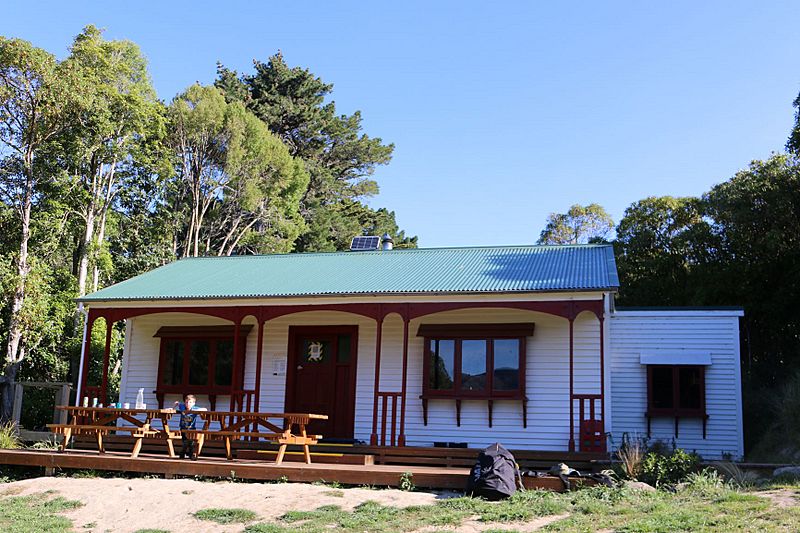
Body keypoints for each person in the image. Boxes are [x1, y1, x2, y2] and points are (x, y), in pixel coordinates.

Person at [173, 394, 207, 460]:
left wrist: (198, 410)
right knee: (185, 442)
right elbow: (177, 403)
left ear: (194, 403)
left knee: (191, 442)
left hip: (191, 428)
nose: (188, 404)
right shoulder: (182, 407)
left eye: (190, 402)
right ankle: (183, 454)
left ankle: (189, 454)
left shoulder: (194, 408)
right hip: (183, 428)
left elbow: (205, 409)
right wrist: (173, 407)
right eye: (186, 402)